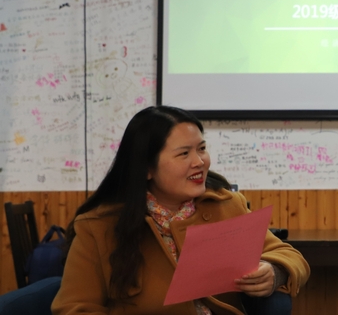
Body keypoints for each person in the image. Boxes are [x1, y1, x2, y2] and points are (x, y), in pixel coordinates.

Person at [52, 105, 310, 315]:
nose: (199, 162)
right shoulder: (98, 226)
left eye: (202, 149)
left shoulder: (225, 205)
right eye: (184, 153)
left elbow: (288, 255)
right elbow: (75, 308)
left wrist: (274, 272)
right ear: (147, 168)